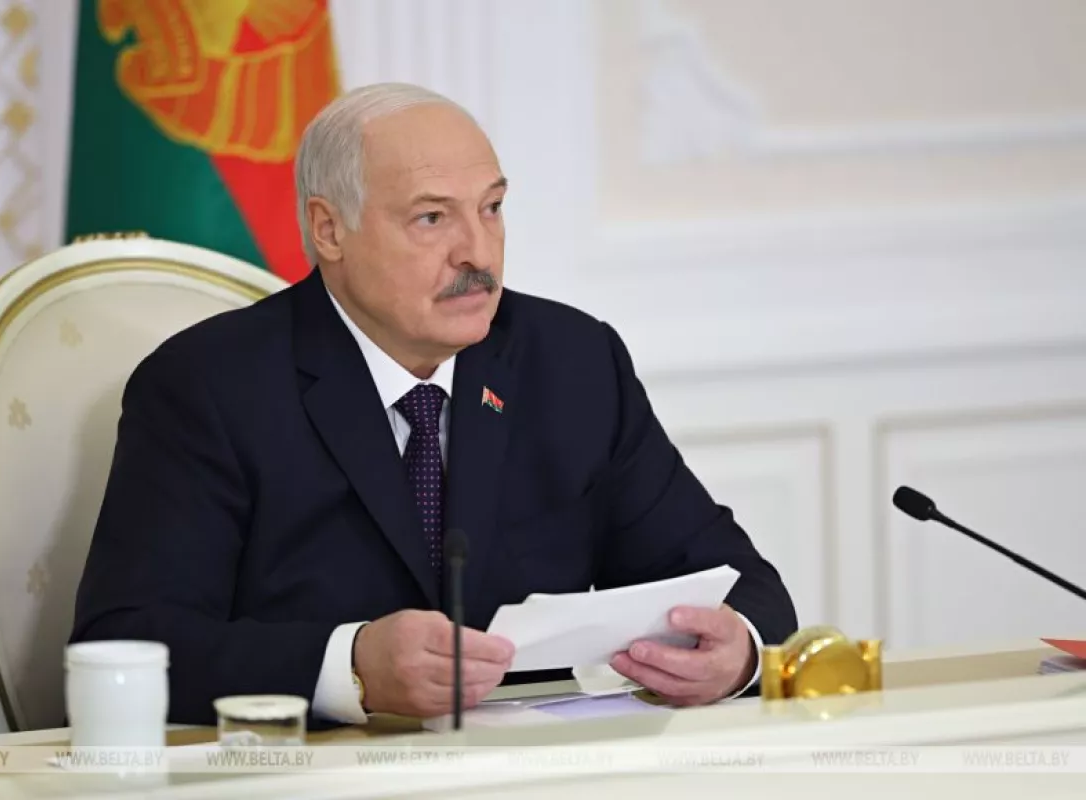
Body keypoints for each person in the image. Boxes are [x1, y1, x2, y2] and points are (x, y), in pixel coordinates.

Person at [70, 82, 797, 726]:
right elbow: (125, 643)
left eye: (492, 208)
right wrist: (349, 666)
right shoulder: (208, 386)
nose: (477, 252)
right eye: (431, 219)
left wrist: (737, 651)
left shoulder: (572, 361)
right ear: (329, 229)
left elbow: (744, 587)